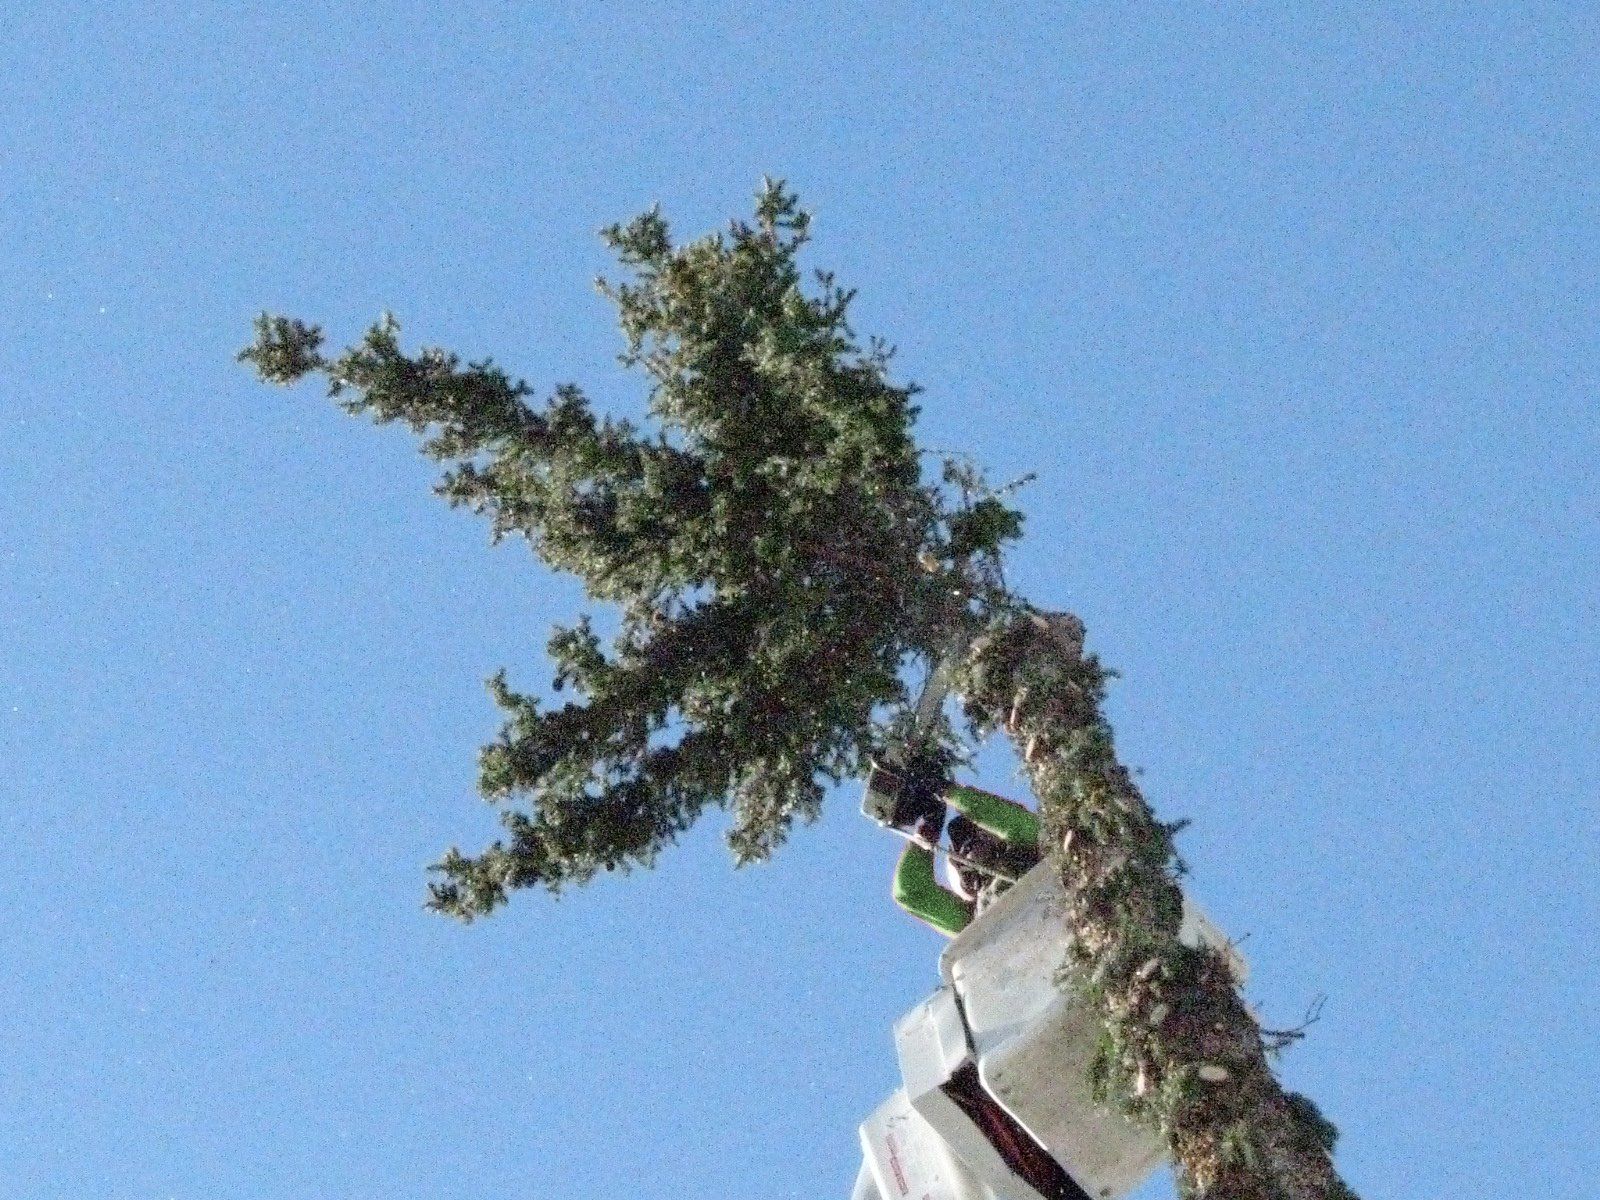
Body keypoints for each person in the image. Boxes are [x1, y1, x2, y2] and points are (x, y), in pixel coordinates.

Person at [864, 762, 1042, 936]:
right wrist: (926, 834)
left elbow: (1019, 823)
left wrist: (945, 790)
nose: (970, 846)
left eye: (976, 836)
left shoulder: (1034, 847)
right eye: (962, 848)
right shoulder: (973, 923)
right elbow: (911, 893)